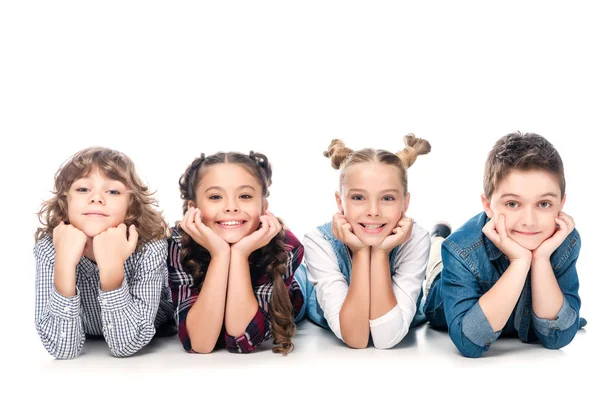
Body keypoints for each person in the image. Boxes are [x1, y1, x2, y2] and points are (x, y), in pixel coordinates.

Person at [423, 132, 587, 358]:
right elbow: (469, 343)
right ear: (488, 206)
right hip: (441, 289)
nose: (529, 220)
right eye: (512, 203)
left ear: (561, 204)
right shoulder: (461, 250)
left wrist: (540, 259)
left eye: (544, 203)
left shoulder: (564, 241)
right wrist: (520, 262)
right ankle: (437, 237)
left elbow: (558, 337)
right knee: (434, 265)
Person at [34, 147, 175, 359]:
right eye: (83, 189)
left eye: (113, 191)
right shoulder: (49, 247)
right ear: (65, 201)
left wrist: (111, 268)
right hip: (87, 332)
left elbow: (125, 345)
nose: (96, 198)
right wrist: (64, 264)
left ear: (131, 206)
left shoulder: (149, 246)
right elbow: (63, 350)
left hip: (154, 330)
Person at [297, 134, 432, 349]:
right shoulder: (318, 241)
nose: (373, 212)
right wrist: (360, 252)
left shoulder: (415, 238)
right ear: (340, 202)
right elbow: (356, 339)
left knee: (437, 265)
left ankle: (440, 234)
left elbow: (386, 338)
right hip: (326, 308)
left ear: (405, 203)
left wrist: (380, 253)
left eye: (387, 198)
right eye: (358, 197)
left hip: (403, 311)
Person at [167, 151, 304, 354]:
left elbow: (242, 340)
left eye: (245, 196)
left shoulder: (286, 246)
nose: (231, 207)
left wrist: (239, 255)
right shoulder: (178, 243)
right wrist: (221, 255)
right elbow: (200, 343)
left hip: (296, 290)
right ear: (193, 208)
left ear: (263, 207)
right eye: (215, 197)